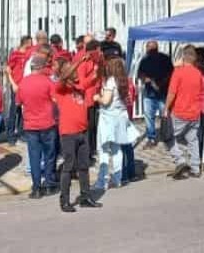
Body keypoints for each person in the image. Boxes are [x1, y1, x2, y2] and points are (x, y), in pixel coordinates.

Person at [53, 58, 101, 213]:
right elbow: (64, 76)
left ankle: (85, 196)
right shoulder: (60, 88)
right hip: (68, 133)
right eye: (72, 71)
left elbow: (94, 76)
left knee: (83, 166)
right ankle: (65, 200)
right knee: (68, 166)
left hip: (83, 131)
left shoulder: (79, 86)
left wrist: (98, 62)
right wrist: (79, 61)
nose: (76, 73)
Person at [17, 55, 58, 199]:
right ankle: (48, 184)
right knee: (49, 155)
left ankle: (36, 187)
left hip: (31, 124)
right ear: (42, 68)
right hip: (47, 122)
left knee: (34, 157)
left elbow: (18, 101)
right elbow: (55, 100)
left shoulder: (23, 83)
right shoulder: (48, 82)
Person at [93, 57, 134, 191]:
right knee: (117, 149)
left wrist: (97, 97)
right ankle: (118, 178)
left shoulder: (111, 81)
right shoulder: (124, 81)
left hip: (108, 118)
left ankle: (102, 180)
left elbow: (106, 101)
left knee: (104, 149)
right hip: (120, 117)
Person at [165, 46, 204, 180]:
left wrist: (166, 108)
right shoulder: (198, 73)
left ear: (183, 57)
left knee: (169, 137)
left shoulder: (178, 72)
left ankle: (180, 161)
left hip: (180, 111)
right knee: (192, 140)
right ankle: (195, 168)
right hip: (195, 112)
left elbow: (172, 93)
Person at [135, 41, 173, 149]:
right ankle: (151, 138)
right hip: (149, 93)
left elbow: (171, 73)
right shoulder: (144, 60)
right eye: (149, 49)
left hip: (162, 92)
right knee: (149, 117)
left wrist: (161, 83)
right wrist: (145, 79)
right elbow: (139, 74)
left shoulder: (165, 58)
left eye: (151, 49)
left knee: (164, 116)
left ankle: (166, 137)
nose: (149, 51)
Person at [6, 36, 34, 145]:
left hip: (25, 86)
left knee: (23, 111)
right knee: (14, 110)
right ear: (25, 43)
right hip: (16, 86)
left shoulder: (29, 55)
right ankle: (10, 135)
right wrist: (13, 84)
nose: (32, 45)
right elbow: (8, 70)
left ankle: (22, 133)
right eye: (30, 42)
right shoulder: (15, 55)